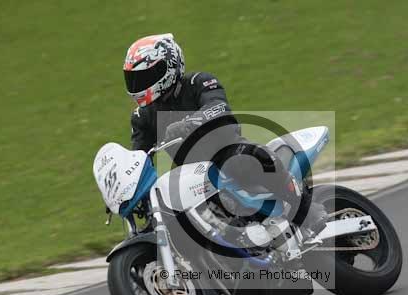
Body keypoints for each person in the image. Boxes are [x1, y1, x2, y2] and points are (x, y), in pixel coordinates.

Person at [123, 33, 326, 240]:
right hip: (189, 171)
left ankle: (306, 210)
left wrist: (189, 123)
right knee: (163, 199)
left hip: (225, 151)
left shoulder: (199, 82)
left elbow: (218, 106)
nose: (138, 85)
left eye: (145, 77)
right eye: (134, 79)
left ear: (169, 67)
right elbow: (139, 156)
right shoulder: (142, 116)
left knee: (251, 158)